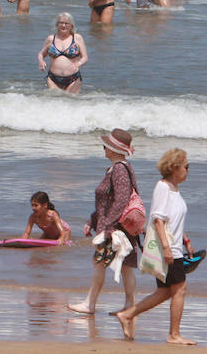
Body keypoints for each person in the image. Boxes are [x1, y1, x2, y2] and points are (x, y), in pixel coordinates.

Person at [115, 148, 195, 345]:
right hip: (168, 249)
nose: (188, 170)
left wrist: (185, 240)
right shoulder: (163, 187)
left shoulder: (175, 190)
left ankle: (127, 315)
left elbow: (172, 220)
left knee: (166, 291)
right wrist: (167, 249)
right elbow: (158, 219)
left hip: (175, 247)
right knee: (179, 289)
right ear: (175, 167)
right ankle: (174, 334)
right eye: (186, 166)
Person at [68, 128, 140, 315]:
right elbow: (107, 201)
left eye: (106, 145)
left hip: (115, 227)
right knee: (126, 266)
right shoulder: (121, 168)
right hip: (120, 225)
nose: (103, 148)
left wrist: (107, 225)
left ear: (115, 149)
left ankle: (90, 304)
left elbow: (121, 199)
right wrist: (92, 220)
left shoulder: (119, 170)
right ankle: (129, 305)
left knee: (100, 262)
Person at [37, 12, 87, 93]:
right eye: (61, 23)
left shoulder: (77, 38)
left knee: (70, 101)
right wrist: (41, 61)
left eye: (66, 23)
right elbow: (41, 54)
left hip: (73, 79)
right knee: (55, 102)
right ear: (57, 25)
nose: (63, 25)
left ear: (71, 26)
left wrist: (78, 64)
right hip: (53, 78)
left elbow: (85, 57)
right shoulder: (51, 39)